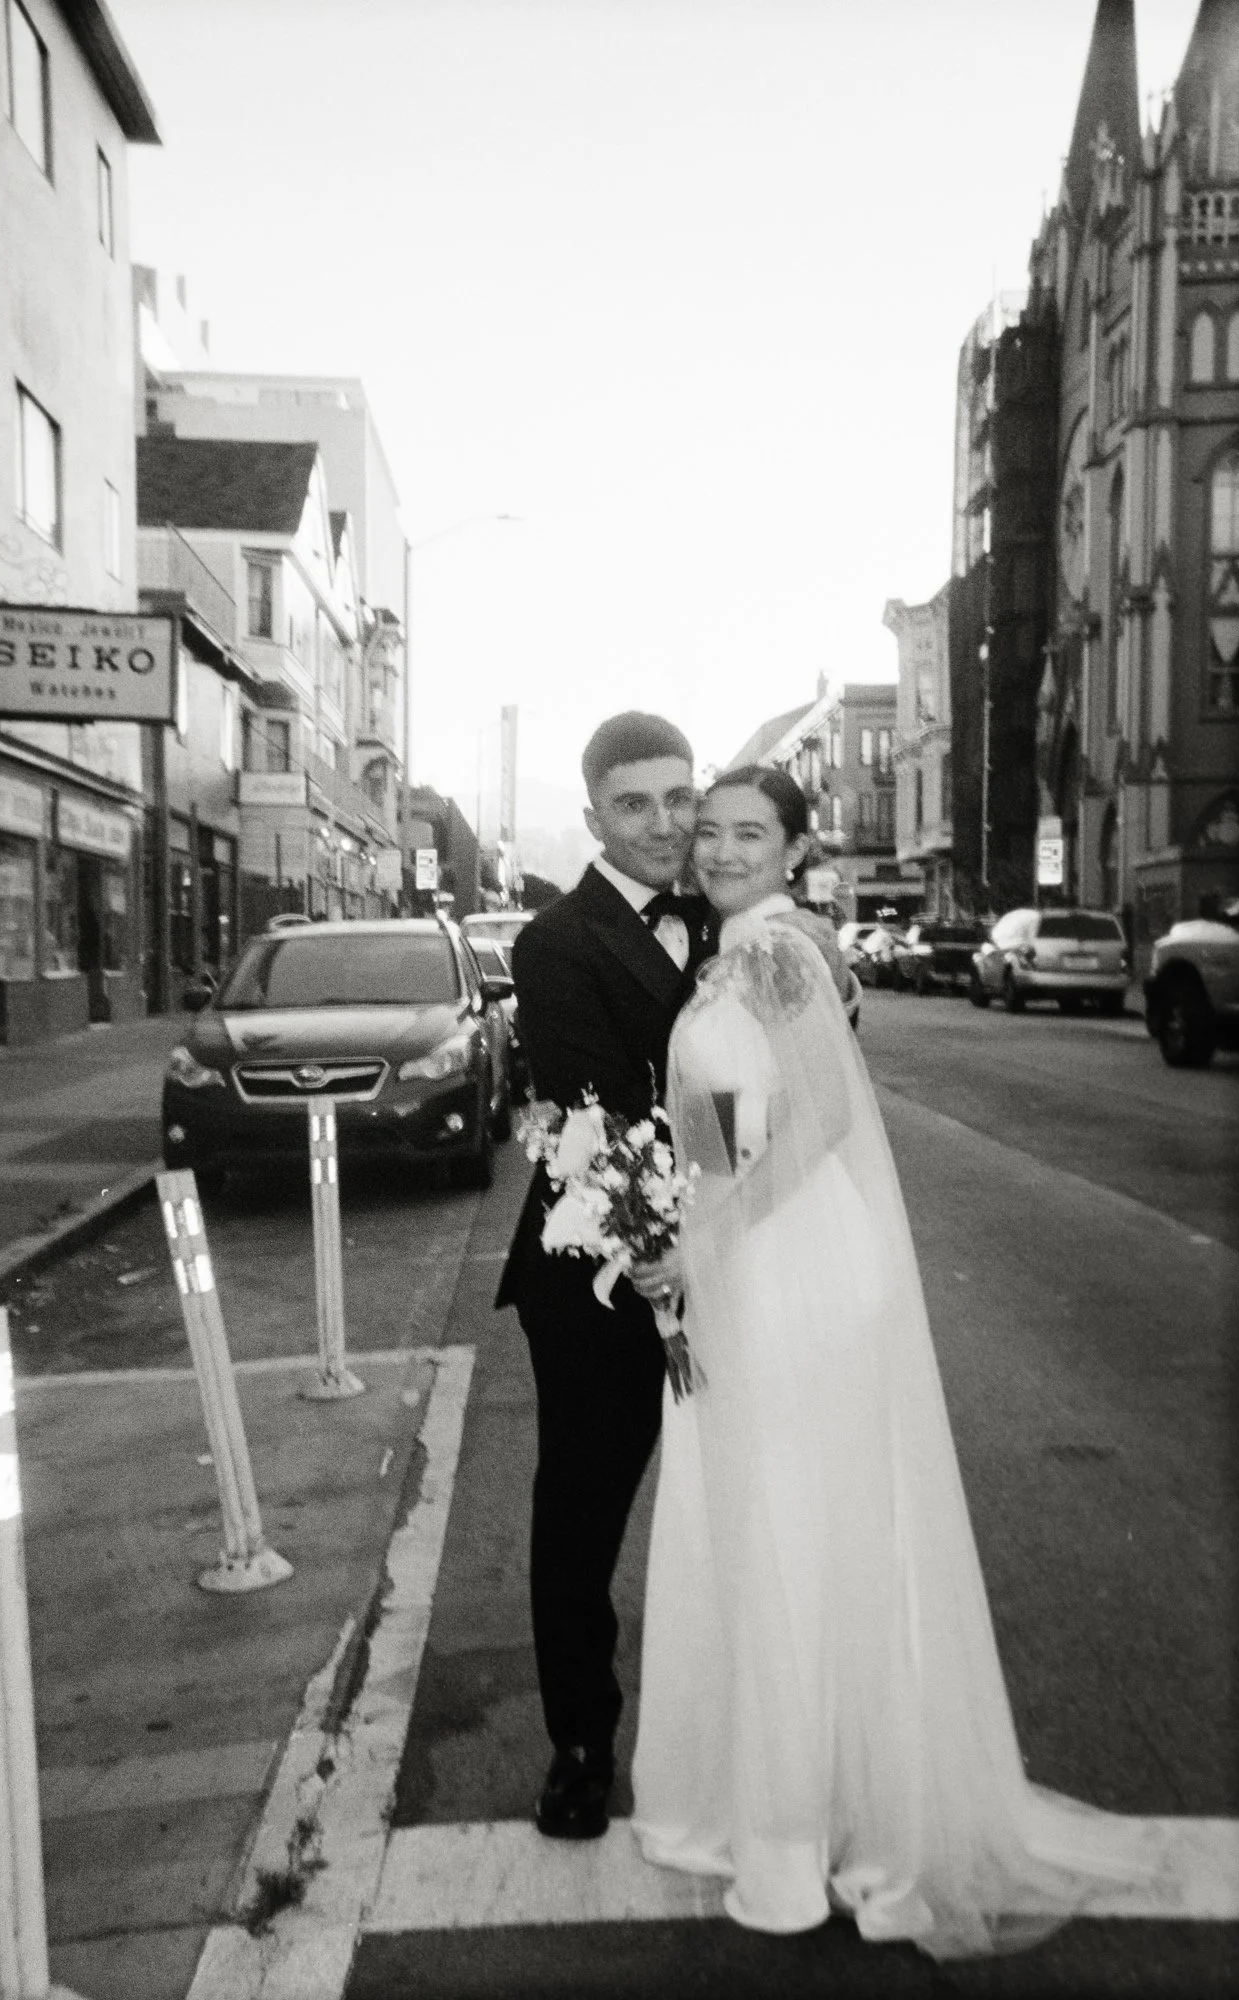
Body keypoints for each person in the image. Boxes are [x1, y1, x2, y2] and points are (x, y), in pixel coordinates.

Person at [628, 765, 1167, 1959]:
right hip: (758, 1248)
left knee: (789, 1527)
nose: (719, 849)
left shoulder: (774, 954)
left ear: (796, 847)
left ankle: (799, 1834)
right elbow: (730, 1123)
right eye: (708, 830)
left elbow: (819, 1119)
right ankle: (813, 1804)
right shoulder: (748, 950)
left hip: (793, 1268)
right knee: (787, 1523)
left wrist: (700, 1240)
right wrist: (675, 1220)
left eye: (749, 832)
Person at [495, 712, 719, 1840]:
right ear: (593, 818)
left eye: (679, 797)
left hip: (733, 1261)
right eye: (635, 804)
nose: (664, 823)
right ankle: (581, 1743)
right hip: (598, 1270)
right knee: (582, 1519)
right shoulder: (555, 940)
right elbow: (607, 1113)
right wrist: (695, 1223)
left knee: (741, 1506)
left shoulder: (732, 919)